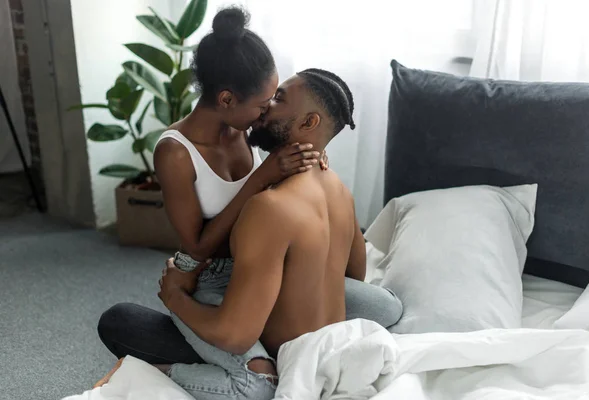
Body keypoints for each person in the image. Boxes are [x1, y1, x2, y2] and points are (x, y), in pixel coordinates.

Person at [95, 6, 402, 398]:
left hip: (265, 256)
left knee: (385, 309)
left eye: (274, 100)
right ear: (226, 99)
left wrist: (312, 158)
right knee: (255, 382)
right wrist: (265, 176)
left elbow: (347, 271)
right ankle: (156, 369)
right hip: (213, 268)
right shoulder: (177, 153)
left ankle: (220, 338)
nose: (266, 112)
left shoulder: (249, 130)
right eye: (263, 104)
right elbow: (197, 246)